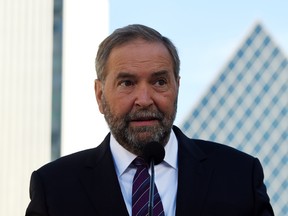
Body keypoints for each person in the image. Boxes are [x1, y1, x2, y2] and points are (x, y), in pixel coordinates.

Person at [25, 24, 274, 216]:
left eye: (159, 82)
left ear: (177, 87)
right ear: (100, 95)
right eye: (127, 83)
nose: (144, 99)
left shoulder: (240, 175)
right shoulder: (54, 187)